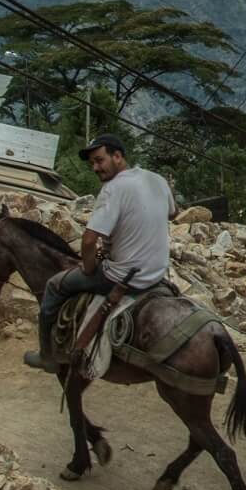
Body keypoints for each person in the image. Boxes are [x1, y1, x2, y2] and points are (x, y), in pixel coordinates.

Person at [25, 132, 176, 371]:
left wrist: (89, 268)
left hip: (123, 277)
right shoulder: (157, 179)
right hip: (157, 272)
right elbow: (172, 213)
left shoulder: (112, 189)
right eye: (92, 163)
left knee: (53, 286)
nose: (95, 167)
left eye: (99, 160)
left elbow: (88, 241)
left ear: (118, 156)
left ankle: (47, 356)